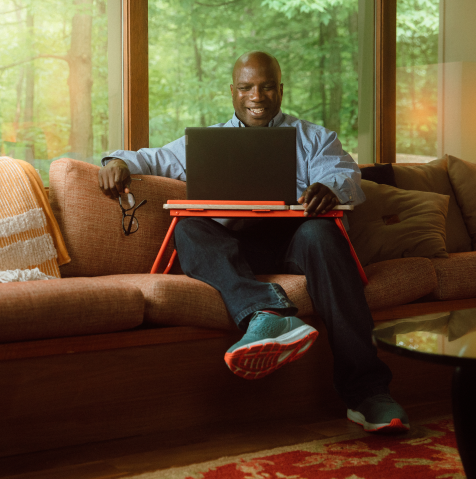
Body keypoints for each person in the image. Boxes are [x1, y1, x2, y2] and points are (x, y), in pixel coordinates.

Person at [98, 51, 409, 434]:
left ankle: (368, 392)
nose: (256, 96)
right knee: (188, 228)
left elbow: (343, 175)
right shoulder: (205, 142)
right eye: (246, 87)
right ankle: (265, 314)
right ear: (232, 91)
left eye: (265, 87)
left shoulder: (315, 138)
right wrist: (116, 161)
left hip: (300, 243)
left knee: (322, 232)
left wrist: (329, 187)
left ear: (281, 89)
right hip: (235, 247)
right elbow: (152, 159)